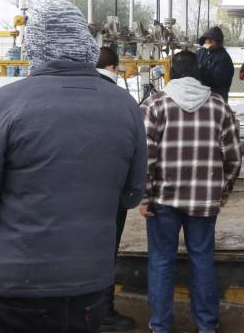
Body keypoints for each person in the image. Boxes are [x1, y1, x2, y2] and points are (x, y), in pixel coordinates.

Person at [0, 0, 147, 333]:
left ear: (34, 47)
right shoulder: (125, 106)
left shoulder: (5, 103)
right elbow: (130, 194)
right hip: (90, 288)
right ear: (86, 44)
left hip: (15, 287)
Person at [139, 50, 242, 333]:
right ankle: (207, 324)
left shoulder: (153, 105)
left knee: (161, 262)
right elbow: (233, 155)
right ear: (198, 72)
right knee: (202, 259)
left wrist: (145, 196)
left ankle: (161, 325)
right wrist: (224, 188)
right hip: (204, 199)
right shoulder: (219, 106)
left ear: (170, 72)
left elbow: (145, 157)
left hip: (162, 200)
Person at [95, 46, 138, 332]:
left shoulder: (67, 93)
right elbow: (137, 150)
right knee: (106, 251)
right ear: (113, 67)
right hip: (112, 193)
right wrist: (134, 193)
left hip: (69, 191)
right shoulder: (123, 100)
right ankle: (103, 313)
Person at [197, 26, 234, 101]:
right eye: (207, 39)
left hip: (217, 97)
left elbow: (219, 81)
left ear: (219, 42)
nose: (208, 41)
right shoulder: (201, 52)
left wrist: (201, 70)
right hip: (201, 95)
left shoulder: (223, 58)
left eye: (212, 39)